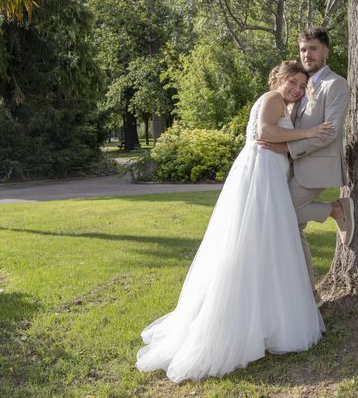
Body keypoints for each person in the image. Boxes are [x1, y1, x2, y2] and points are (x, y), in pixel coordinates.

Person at [136, 61, 332, 382]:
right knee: (253, 243)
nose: (296, 89)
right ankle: (243, 321)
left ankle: (267, 317)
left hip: (268, 174)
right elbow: (264, 133)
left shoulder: (280, 104)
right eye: (293, 82)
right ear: (279, 79)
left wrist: (289, 141)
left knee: (267, 245)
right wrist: (309, 131)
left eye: (301, 86)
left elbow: (277, 143)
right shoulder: (272, 98)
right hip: (261, 178)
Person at [258, 26, 354, 292]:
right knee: (291, 228)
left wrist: (288, 148)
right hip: (291, 168)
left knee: (279, 213)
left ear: (325, 50)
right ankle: (306, 295)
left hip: (316, 167)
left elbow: (329, 133)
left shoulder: (336, 84)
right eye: (303, 49)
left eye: (312, 48)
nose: (307, 54)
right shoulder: (299, 86)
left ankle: (335, 209)